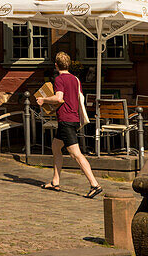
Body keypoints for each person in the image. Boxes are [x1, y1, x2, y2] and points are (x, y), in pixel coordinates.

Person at [35, 52, 102, 198]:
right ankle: (55, 181)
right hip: (73, 118)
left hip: (65, 120)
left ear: (56, 65)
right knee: (56, 146)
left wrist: (44, 100)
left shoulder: (59, 79)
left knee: (76, 154)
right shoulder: (75, 79)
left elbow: (59, 99)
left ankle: (94, 184)